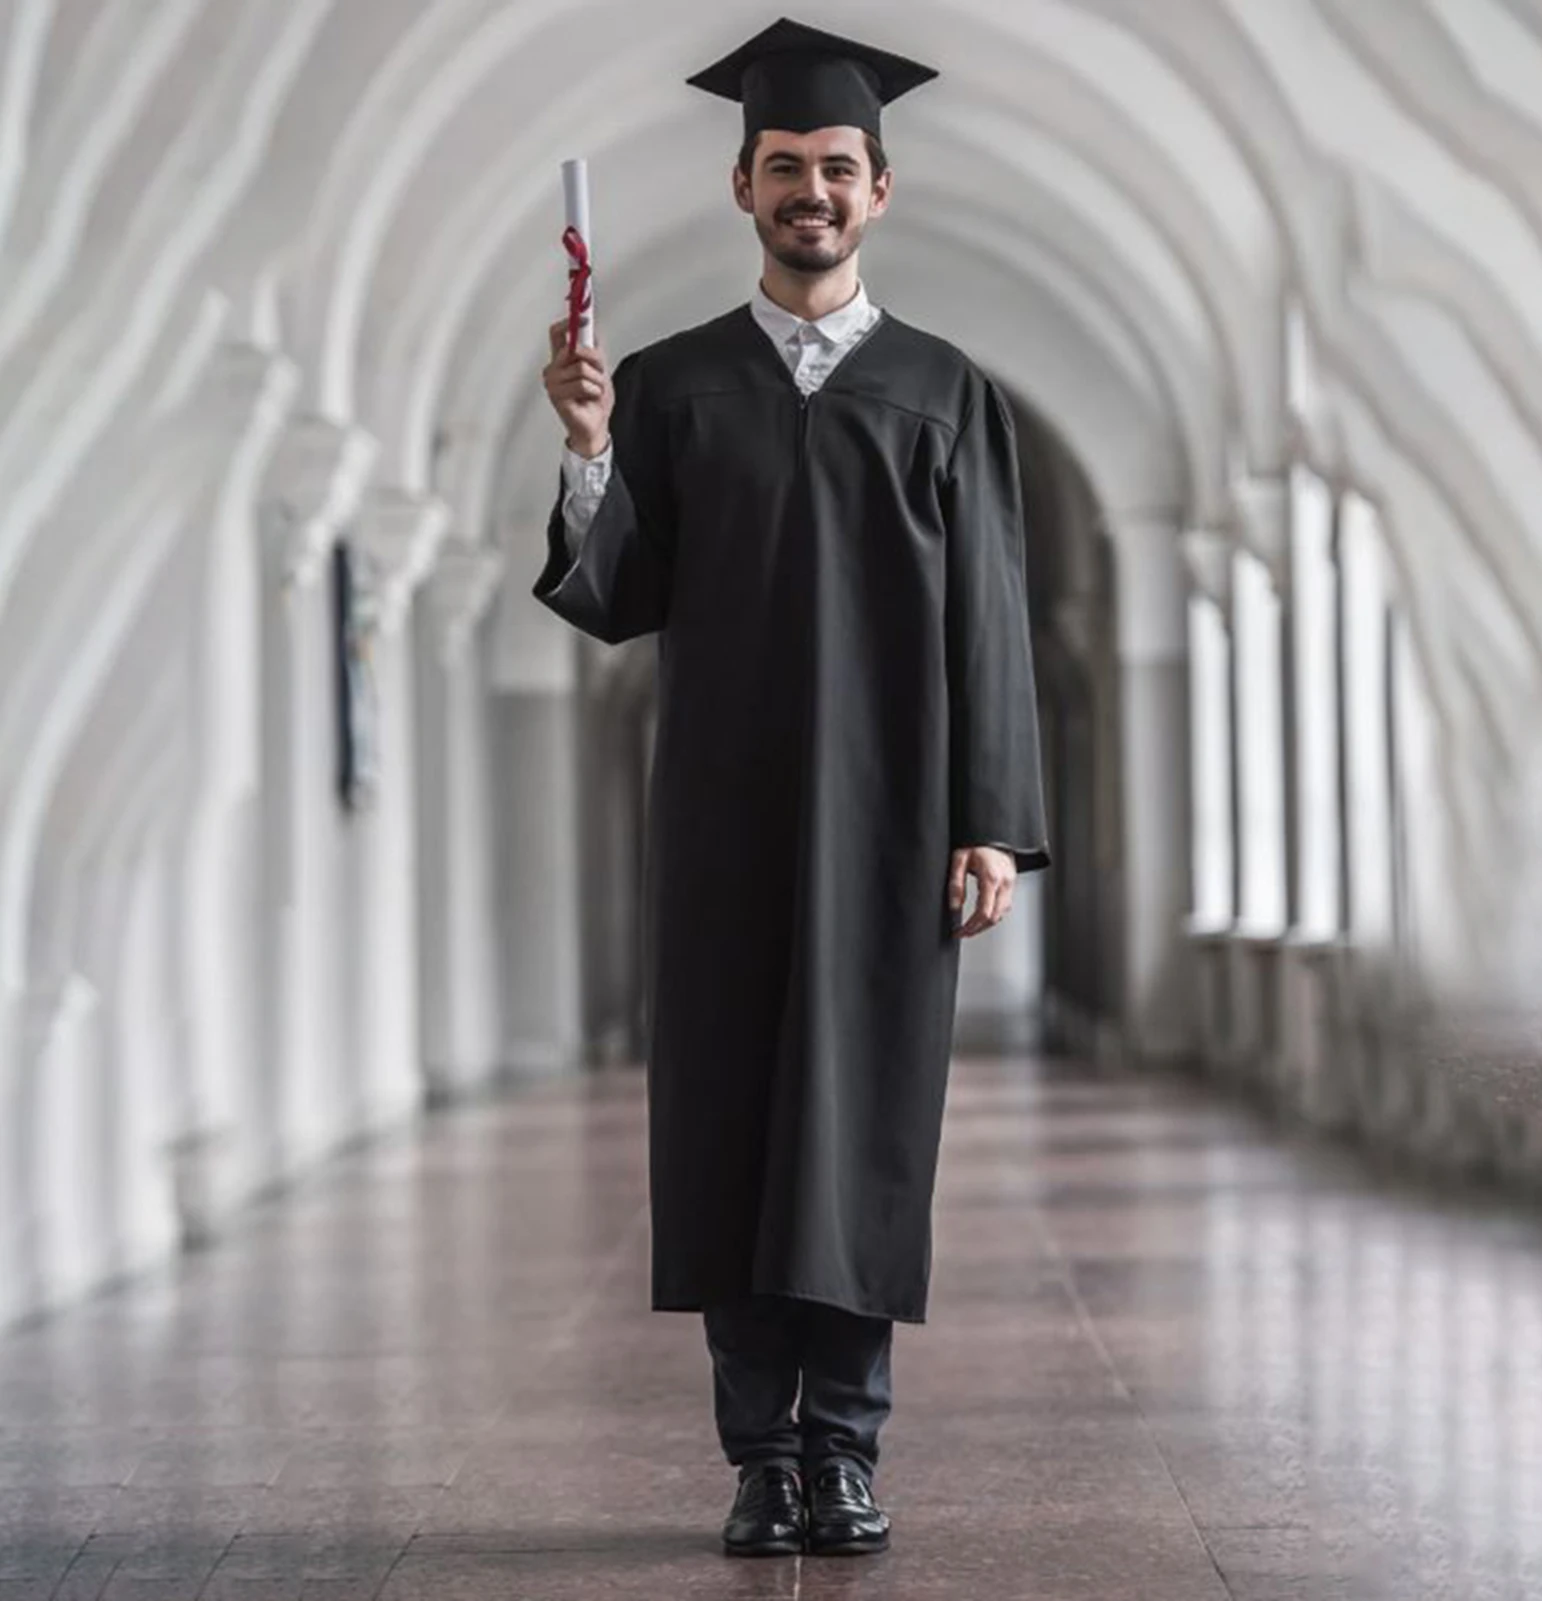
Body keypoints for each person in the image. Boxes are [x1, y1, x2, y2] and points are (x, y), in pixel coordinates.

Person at [537, 15, 1051, 1560]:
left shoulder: (946, 392)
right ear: (741, 185)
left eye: (837, 167)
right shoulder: (673, 386)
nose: (810, 190)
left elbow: (996, 623)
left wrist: (994, 820)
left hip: (894, 826)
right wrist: (584, 451)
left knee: (864, 1138)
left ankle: (846, 1450)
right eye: (785, 168)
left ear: (882, 189)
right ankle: (760, 1459)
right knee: (733, 1129)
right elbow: (614, 589)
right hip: (726, 820)